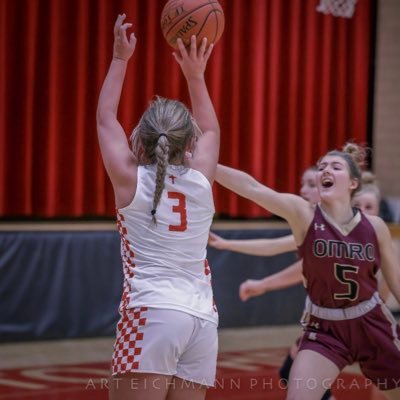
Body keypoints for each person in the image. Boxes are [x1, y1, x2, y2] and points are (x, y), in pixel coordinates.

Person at [97, 14, 220, 400]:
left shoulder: (130, 180)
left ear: (140, 139)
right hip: (203, 320)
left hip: (152, 312)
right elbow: (212, 129)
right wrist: (196, 75)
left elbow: (104, 119)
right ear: (189, 144)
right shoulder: (201, 177)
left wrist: (120, 58)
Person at [215, 143, 400, 399]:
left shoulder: (375, 227)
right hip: (325, 327)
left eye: (336, 167)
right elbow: (252, 188)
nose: (324, 170)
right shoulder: (305, 215)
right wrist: (206, 164)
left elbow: (396, 282)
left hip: (371, 322)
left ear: (353, 183)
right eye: (322, 166)